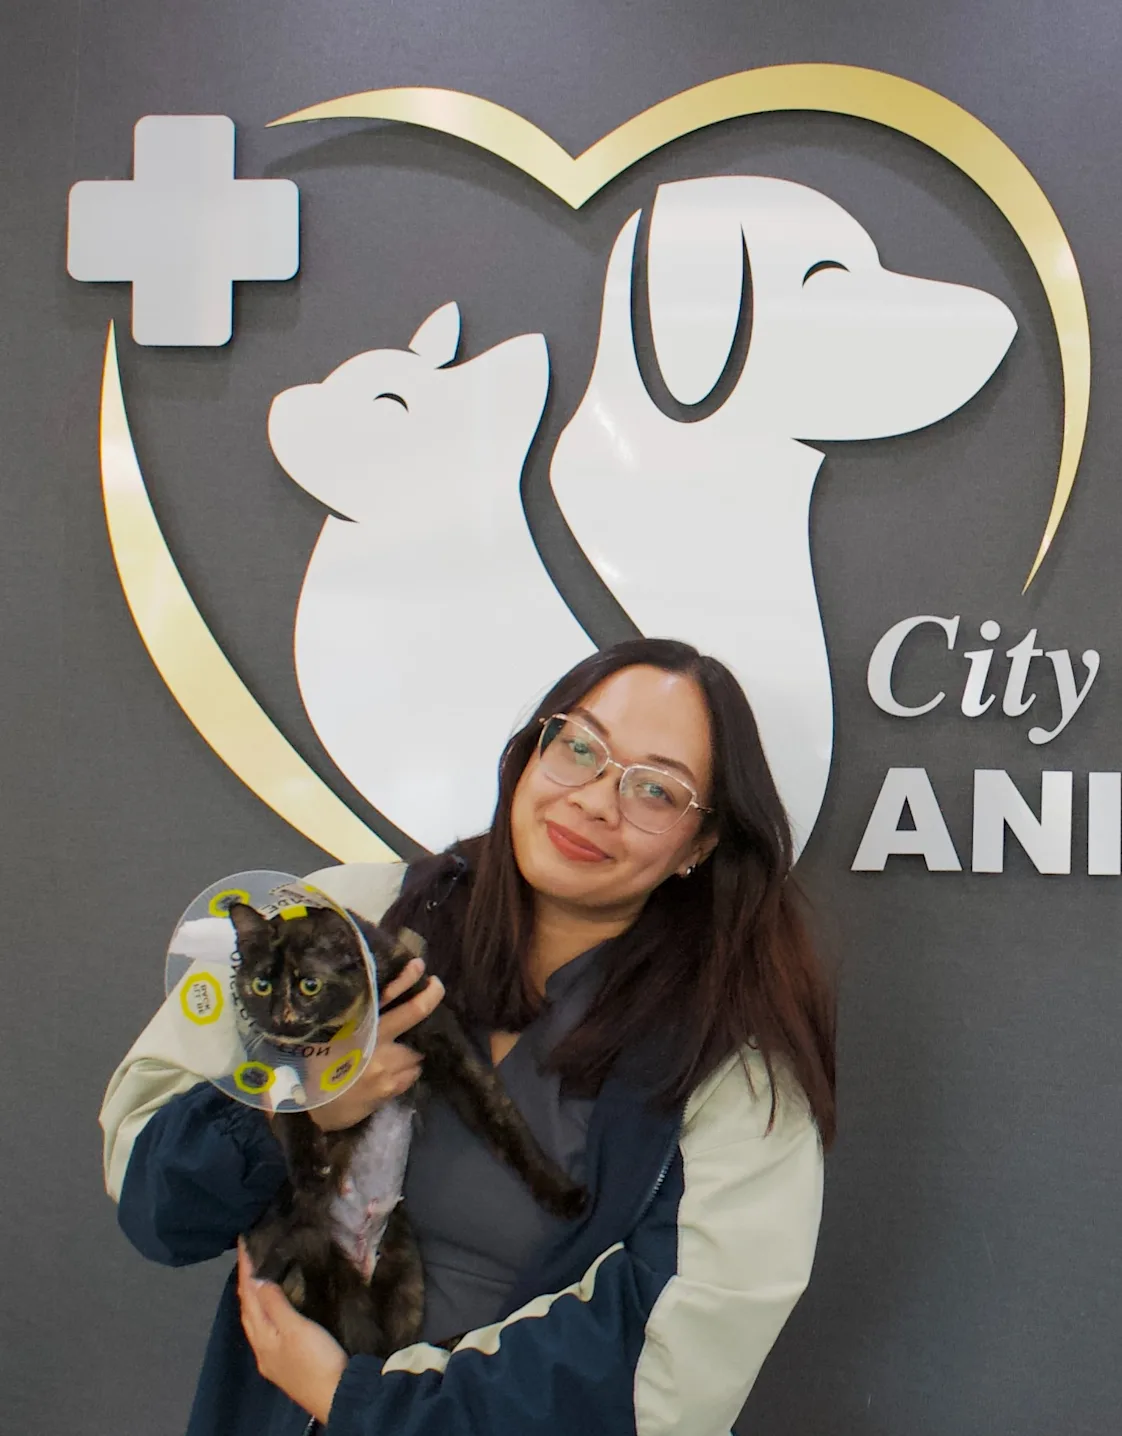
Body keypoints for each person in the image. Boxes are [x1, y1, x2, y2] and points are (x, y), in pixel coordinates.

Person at [100, 637, 836, 1436]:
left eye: (655, 790)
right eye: (580, 748)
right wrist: (299, 1107)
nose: (594, 800)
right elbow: (156, 1203)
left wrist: (359, 1403)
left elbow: (672, 1370)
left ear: (701, 846)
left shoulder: (734, 1069)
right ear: (530, 755)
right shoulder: (343, 921)